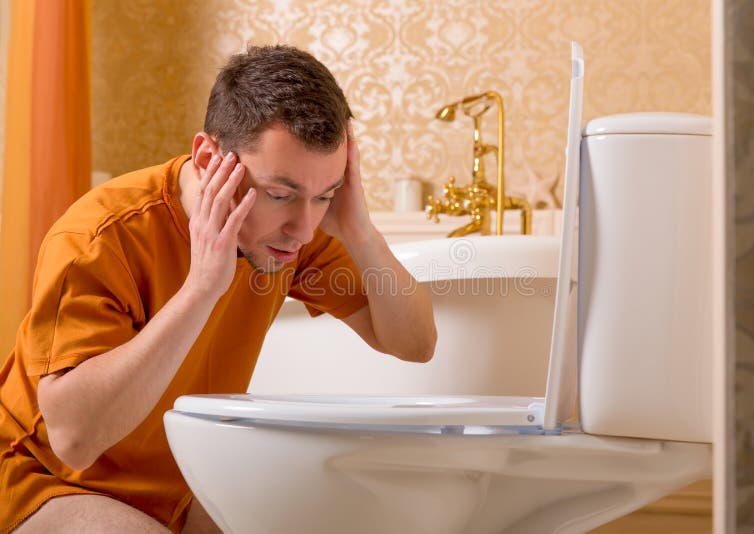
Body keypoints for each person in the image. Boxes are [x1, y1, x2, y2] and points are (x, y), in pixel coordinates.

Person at [0, 44, 437, 533]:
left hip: (182, 480)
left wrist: (361, 232)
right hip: (45, 478)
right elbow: (74, 440)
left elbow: (415, 344)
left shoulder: (292, 235)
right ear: (209, 158)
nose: (303, 225)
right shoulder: (100, 237)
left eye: (324, 195)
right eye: (279, 194)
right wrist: (201, 288)